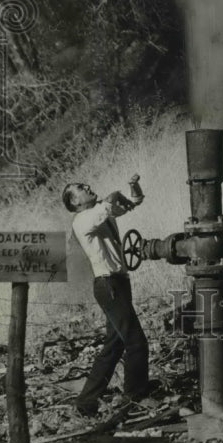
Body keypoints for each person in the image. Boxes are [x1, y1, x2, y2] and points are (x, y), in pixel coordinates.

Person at [62, 176, 152, 417]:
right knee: (136, 342)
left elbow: (134, 201)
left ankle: (86, 402)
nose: (88, 186)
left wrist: (133, 187)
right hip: (108, 285)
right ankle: (135, 397)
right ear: (74, 201)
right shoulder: (83, 220)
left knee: (114, 345)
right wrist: (116, 195)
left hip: (119, 283)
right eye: (81, 188)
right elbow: (111, 202)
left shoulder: (100, 212)